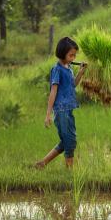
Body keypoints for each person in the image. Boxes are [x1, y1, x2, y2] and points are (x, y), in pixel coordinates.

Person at [35, 37, 87, 169]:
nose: (73, 58)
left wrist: (80, 72)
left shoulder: (69, 68)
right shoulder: (57, 69)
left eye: (75, 55)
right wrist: (48, 114)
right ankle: (69, 170)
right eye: (71, 55)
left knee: (67, 140)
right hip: (61, 110)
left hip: (69, 109)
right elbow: (53, 91)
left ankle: (42, 163)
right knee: (70, 141)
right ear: (62, 53)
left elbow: (73, 85)